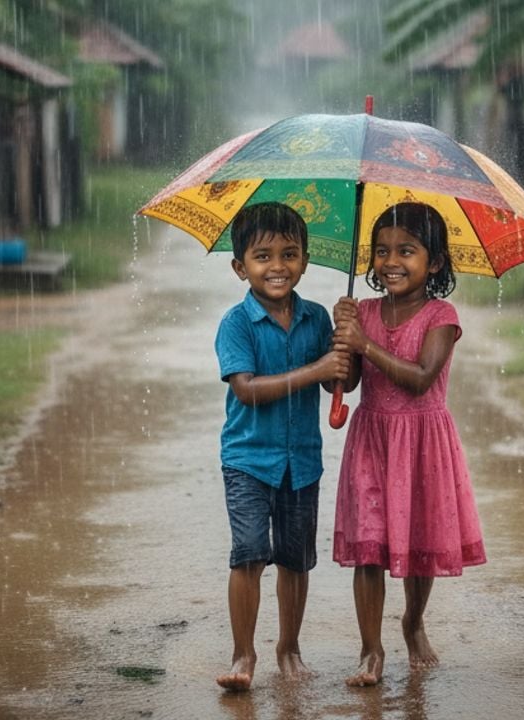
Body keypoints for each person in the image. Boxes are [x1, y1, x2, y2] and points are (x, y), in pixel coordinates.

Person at [330, 202, 487, 687]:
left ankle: (413, 620)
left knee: (420, 540)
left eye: (406, 251)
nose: (391, 261)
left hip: (422, 443)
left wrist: (365, 344)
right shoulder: (366, 312)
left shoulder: (442, 315)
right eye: (381, 251)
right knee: (369, 547)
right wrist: (341, 340)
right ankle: (370, 649)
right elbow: (350, 382)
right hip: (373, 441)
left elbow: (421, 378)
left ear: (434, 262)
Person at [213, 201, 351, 691]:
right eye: (263, 256)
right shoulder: (236, 324)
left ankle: (288, 646)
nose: (277, 267)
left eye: (289, 254)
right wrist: (315, 371)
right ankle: (243, 652)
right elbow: (247, 389)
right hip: (248, 459)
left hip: (301, 462)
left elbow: (345, 384)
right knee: (249, 552)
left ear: (306, 260)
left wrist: (346, 343)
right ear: (240, 267)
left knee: (295, 559)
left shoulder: (315, 320)